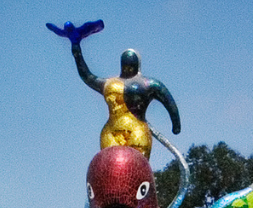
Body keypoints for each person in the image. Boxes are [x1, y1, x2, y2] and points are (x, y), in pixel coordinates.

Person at [49, 20, 180, 157]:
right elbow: (87, 76)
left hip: (137, 132)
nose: (128, 65)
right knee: (111, 165)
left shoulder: (148, 84)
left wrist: (176, 124)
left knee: (136, 164)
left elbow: (168, 101)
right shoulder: (111, 84)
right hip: (111, 133)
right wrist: (76, 50)